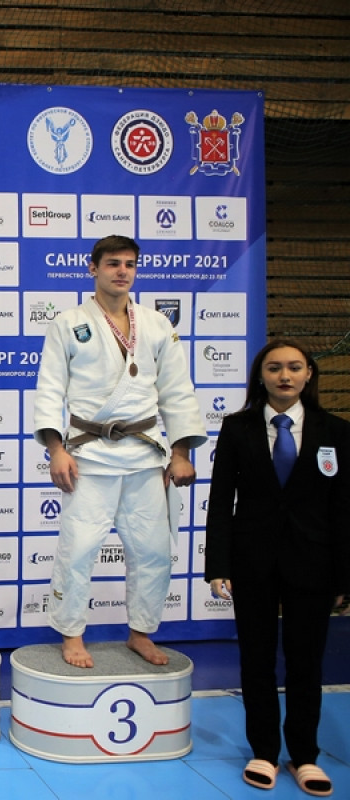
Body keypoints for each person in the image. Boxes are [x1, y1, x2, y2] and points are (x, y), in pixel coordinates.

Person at [33, 235, 206, 669]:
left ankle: (141, 632)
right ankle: (72, 634)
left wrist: (180, 452)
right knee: (78, 549)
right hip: (88, 454)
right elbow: (50, 389)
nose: (122, 271)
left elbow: (177, 392)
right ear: (93, 268)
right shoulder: (68, 323)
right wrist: (56, 448)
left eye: (129, 264)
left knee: (152, 550)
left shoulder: (157, 324)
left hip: (144, 455)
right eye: (113, 263)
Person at [206, 339, 349, 796]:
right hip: (252, 563)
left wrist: (344, 575)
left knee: (307, 663)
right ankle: (264, 752)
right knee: (257, 661)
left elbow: (343, 508)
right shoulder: (237, 428)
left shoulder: (336, 431)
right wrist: (217, 565)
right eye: (274, 368)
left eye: (294, 367)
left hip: (315, 564)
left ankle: (304, 756)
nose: (284, 376)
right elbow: (220, 502)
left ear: (309, 374)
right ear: (260, 376)